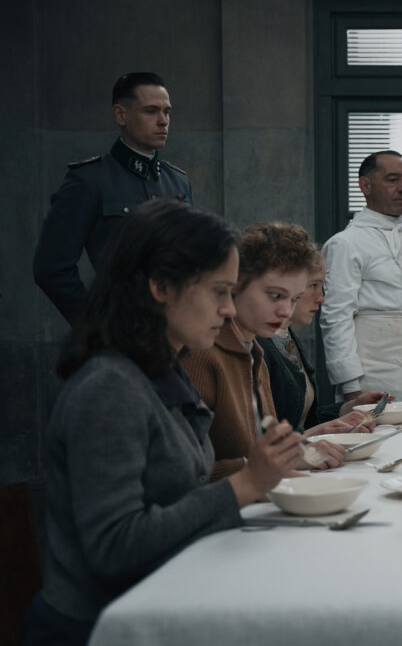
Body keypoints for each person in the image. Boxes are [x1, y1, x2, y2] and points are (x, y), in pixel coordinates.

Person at [21, 200, 302, 645]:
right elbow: (114, 548)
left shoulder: (162, 370)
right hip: (98, 628)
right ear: (161, 286)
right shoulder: (109, 386)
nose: (229, 310)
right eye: (219, 291)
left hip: (159, 601)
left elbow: (180, 497)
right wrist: (246, 484)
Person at [182, 222, 352, 481]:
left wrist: (302, 447)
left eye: (294, 299)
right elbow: (182, 478)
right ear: (236, 285)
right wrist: (273, 462)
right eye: (275, 295)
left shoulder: (255, 351)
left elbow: (265, 448)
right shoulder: (202, 353)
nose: (286, 311)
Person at [33, 72, 192, 324]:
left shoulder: (178, 182)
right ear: (121, 115)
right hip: (121, 330)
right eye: (151, 111)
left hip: (176, 329)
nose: (163, 121)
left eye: (167, 112)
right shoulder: (89, 181)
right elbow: (51, 269)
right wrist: (96, 327)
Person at [320, 150, 402, 401]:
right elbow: (336, 318)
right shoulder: (345, 243)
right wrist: (351, 388)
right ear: (365, 186)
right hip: (369, 382)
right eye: (392, 180)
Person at [258, 247, 390, 430]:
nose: (321, 298)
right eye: (314, 286)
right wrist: (316, 433)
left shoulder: (287, 335)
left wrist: (350, 407)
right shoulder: (260, 346)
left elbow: (306, 419)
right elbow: (265, 434)